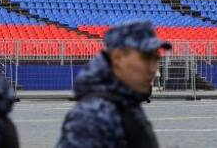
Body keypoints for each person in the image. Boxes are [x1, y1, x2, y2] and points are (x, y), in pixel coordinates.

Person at [55, 20, 171, 148]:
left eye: (156, 59)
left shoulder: (125, 101)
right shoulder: (92, 116)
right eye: (146, 58)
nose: (153, 68)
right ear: (117, 58)